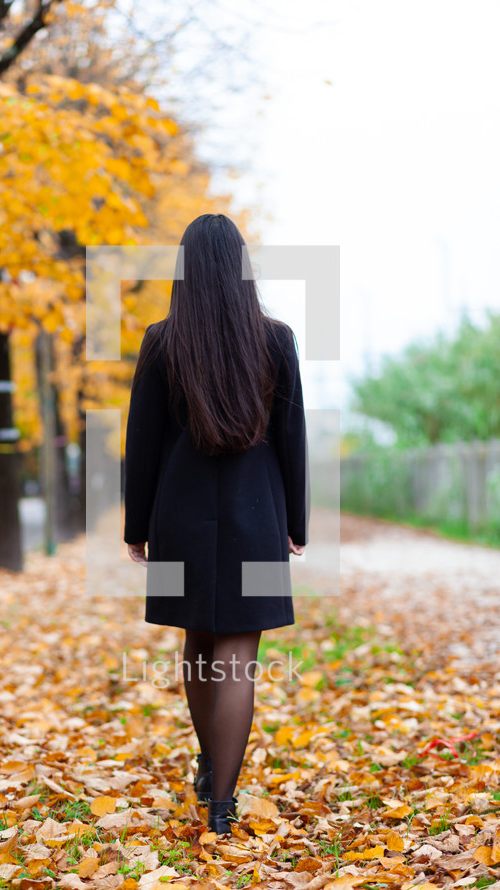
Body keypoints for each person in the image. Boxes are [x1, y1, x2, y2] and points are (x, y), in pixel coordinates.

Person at [123, 213, 310, 835]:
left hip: (178, 517)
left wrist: (135, 525)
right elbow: (293, 441)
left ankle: (210, 767)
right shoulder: (275, 339)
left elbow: (142, 442)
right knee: (239, 656)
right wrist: (297, 523)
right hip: (257, 518)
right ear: (240, 267)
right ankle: (223, 807)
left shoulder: (162, 340)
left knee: (198, 647)